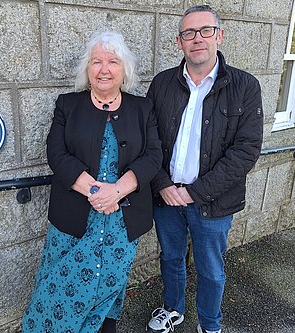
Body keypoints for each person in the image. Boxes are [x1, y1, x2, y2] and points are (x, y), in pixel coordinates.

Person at [21, 31, 162, 333]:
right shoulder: (68, 105)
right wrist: (97, 192)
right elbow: (56, 154)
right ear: (87, 68)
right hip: (75, 217)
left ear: (125, 69)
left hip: (122, 221)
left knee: (108, 287)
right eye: (96, 61)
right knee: (61, 285)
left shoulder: (142, 108)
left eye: (113, 61)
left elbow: (153, 156)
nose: (104, 69)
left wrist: (117, 192)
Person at [146, 5, 263, 333]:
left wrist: (193, 193)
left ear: (219, 35)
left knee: (211, 269)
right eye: (188, 33)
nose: (197, 39)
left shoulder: (245, 86)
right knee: (170, 259)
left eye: (205, 31)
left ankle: (210, 325)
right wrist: (162, 184)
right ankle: (173, 309)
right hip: (166, 196)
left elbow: (245, 152)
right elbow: (148, 140)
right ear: (180, 42)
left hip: (212, 202)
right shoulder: (162, 84)